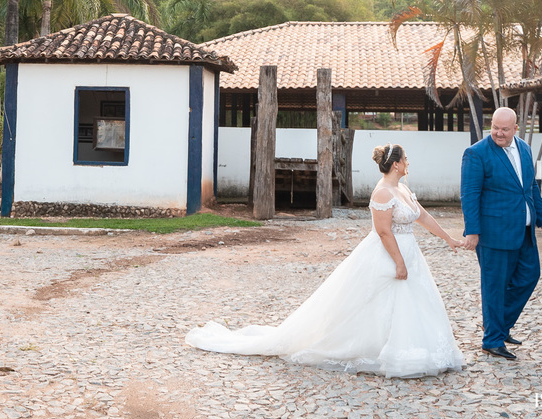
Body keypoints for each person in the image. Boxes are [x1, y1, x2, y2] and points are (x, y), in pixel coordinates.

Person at [186, 144, 464, 378]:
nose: (408, 163)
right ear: (396, 164)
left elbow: (423, 216)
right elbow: (383, 232)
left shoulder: (402, 189)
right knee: (379, 302)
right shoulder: (382, 193)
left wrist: (448, 238)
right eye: (405, 159)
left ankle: (416, 348)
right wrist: (399, 262)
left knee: (412, 302)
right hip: (389, 254)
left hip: (411, 254)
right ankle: (382, 349)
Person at [461, 106, 542, 360]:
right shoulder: (476, 153)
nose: (498, 133)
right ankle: (492, 340)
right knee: (495, 286)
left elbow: (530, 187)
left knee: (529, 276)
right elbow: (469, 194)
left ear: (515, 129)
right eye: (495, 128)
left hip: (524, 230)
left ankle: (499, 326)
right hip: (493, 233)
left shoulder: (524, 148)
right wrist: (472, 231)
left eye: (504, 129)